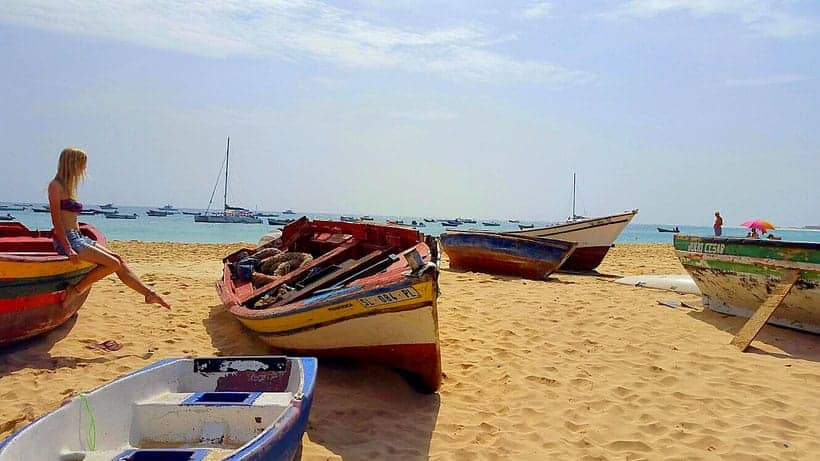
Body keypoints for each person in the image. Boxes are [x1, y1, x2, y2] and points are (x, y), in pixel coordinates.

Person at [48, 147, 171, 309]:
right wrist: (69, 249)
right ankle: (75, 290)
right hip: (68, 240)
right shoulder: (55, 186)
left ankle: (149, 293)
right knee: (113, 264)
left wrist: (81, 239)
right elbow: (57, 222)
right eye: (82, 164)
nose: (84, 168)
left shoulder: (70, 187)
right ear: (71, 163)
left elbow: (72, 219)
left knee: (118, 259)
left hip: (78, 237)